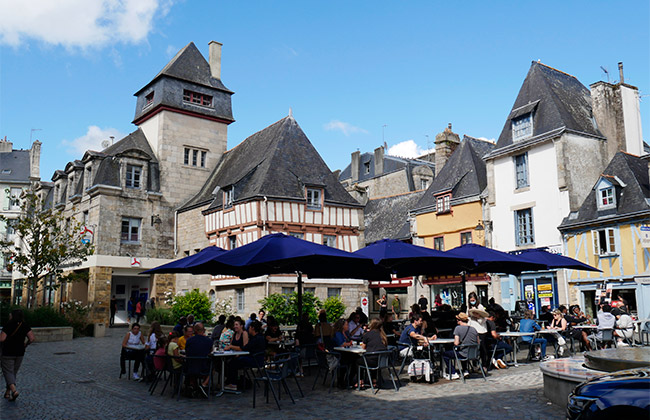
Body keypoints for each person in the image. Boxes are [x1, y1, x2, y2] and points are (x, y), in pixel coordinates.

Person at [1, 309, 35, 401]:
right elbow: (32, 338)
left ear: (12, 316)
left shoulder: (8, 325)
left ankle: (14, 391)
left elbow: (2, 339)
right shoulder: (24, 325)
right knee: (13, 372)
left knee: (8, 372)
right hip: (20, 352)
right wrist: (25, 344)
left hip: (8, 352)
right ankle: (7, 393)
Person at [224, 321, 266, 391]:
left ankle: (233, 383)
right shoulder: (260, 337)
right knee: (232, 361)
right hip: (258, 359)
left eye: (249, 327)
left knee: (233, 362)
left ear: (252, 328)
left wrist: (231, 346)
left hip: (254, 360)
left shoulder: (255, 339)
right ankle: (230, 381)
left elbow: (244, 348)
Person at [441, 312, 479, 380]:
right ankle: (465, 370)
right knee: (462, 350)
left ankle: (453, 373)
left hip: (463, 354)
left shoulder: (458, 328)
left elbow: (456, 343)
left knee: (445, 354)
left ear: (459, 320)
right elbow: (478, 342)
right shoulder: (474, 329)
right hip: (473, 354)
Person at [356, 319, 388, 388]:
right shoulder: (383, 335)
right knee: (372, 357)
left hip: (372, 361)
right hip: (383, 361)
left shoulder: (368, 334)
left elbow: (363, 347)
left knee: (358, 360)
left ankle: (360, 381)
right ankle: (374, 380)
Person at [185, 323, 213, 393]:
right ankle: (204, 384)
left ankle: (192, 385)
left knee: (192, 362)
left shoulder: (189, 340)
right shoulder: (209, 341)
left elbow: (187, 352)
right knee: (213, 367)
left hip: (190, 367)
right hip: (203, 367)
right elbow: (210, 352)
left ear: (195, 330)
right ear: (203, 330)